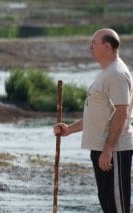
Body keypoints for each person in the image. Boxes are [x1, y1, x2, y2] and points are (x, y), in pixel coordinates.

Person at [53, 28, 133, 212]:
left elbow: (122, 113)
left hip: (114, 151)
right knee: (108, 206)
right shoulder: (106, 72)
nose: (90, 46)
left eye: (93, 43)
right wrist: (69, 129)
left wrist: (108, 148)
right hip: (102, 150)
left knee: (117, 207)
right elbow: (99, 116)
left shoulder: (116, 74)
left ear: (106, 46)